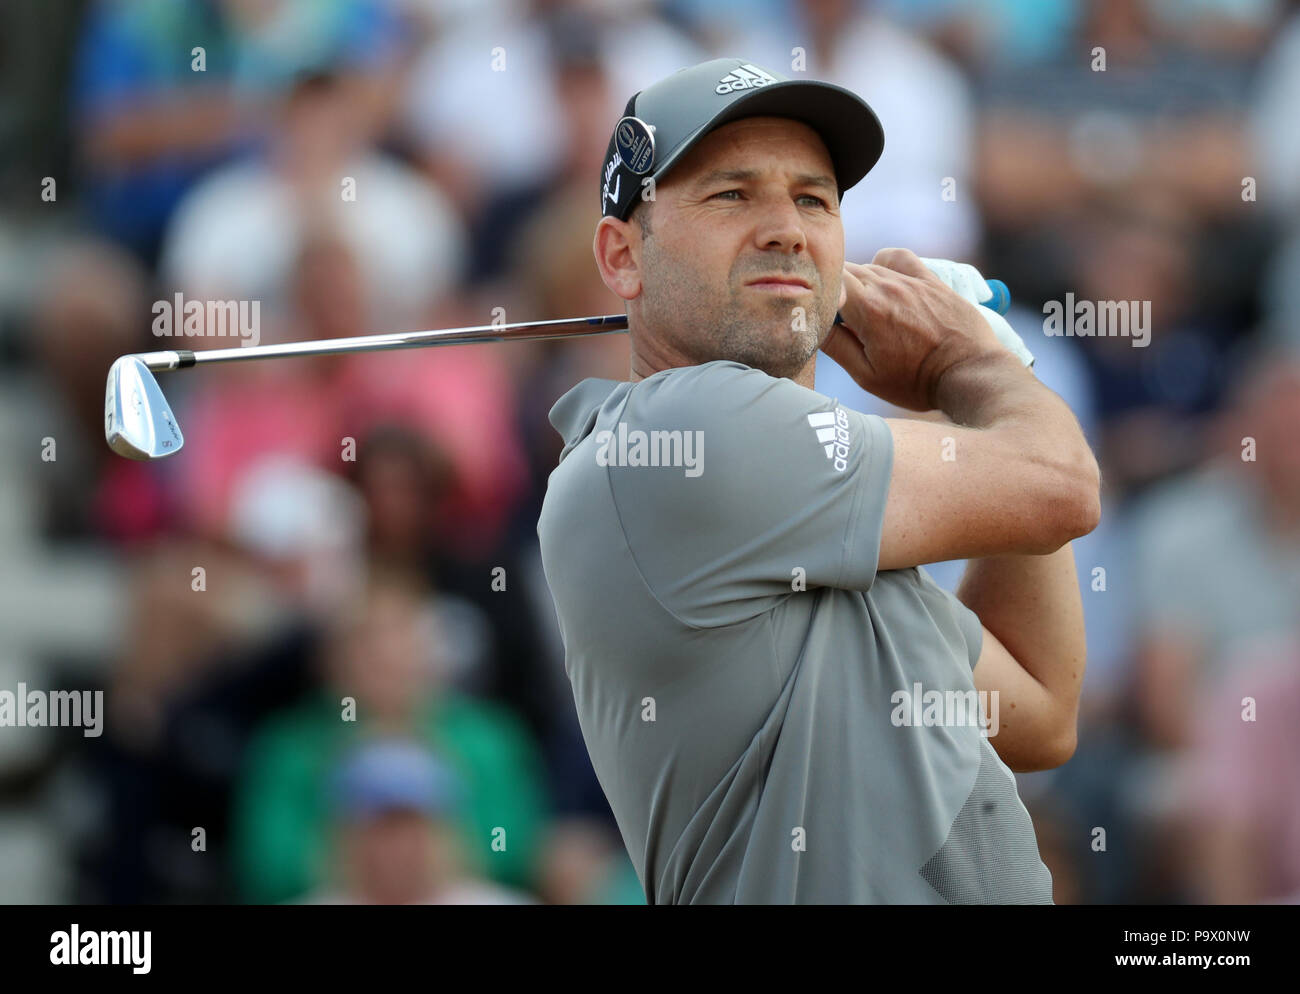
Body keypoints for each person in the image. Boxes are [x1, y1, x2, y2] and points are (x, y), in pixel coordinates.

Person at [537, 58, 1100, 904]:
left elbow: (1040, 710)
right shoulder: (682, 430)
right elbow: (1061, 485)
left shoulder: (820, 511)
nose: (786, 230)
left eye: (814, 199)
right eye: (732, 195)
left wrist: (982, 370)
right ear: (623, 256)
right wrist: (970, 360)